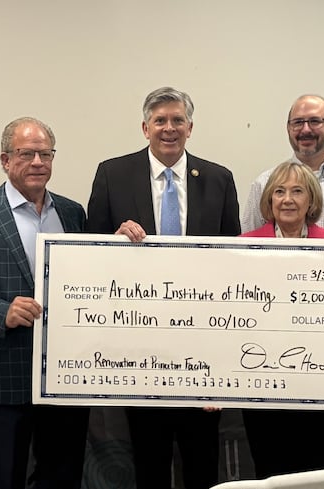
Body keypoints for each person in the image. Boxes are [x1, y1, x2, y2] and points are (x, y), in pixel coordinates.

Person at [86, 86, 241, 489]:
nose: (168, 129)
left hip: (204, 347)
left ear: (190, 127)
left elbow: (234, 262)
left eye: (177, 121)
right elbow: (89, 255)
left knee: (202, 460)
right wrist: (112, 237)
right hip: (140, 349)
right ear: (144, 127)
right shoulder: (112, 174)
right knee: (149, 460)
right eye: (160, 121)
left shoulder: (219, 179)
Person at [0, 117, 89, 489]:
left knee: (63, 474)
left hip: (65, 375)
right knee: (2, 476)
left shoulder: (72, 214)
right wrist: (1, 312)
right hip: (4, 374)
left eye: (45, 153)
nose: (38, 161)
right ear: (6, 160)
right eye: (27, 154)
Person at [240, 161, 324, 476]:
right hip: (267, 390)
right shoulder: (244, 248)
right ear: (269, 199)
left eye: (297, 191)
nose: (287, 199)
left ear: (311, 200)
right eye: (279, 191)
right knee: (276, 473)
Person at [241, 94, 324, 237]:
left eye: (315, 121)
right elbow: (248, 247)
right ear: (288, 128)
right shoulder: (264, 183)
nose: (305, 129)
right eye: (298, 122)